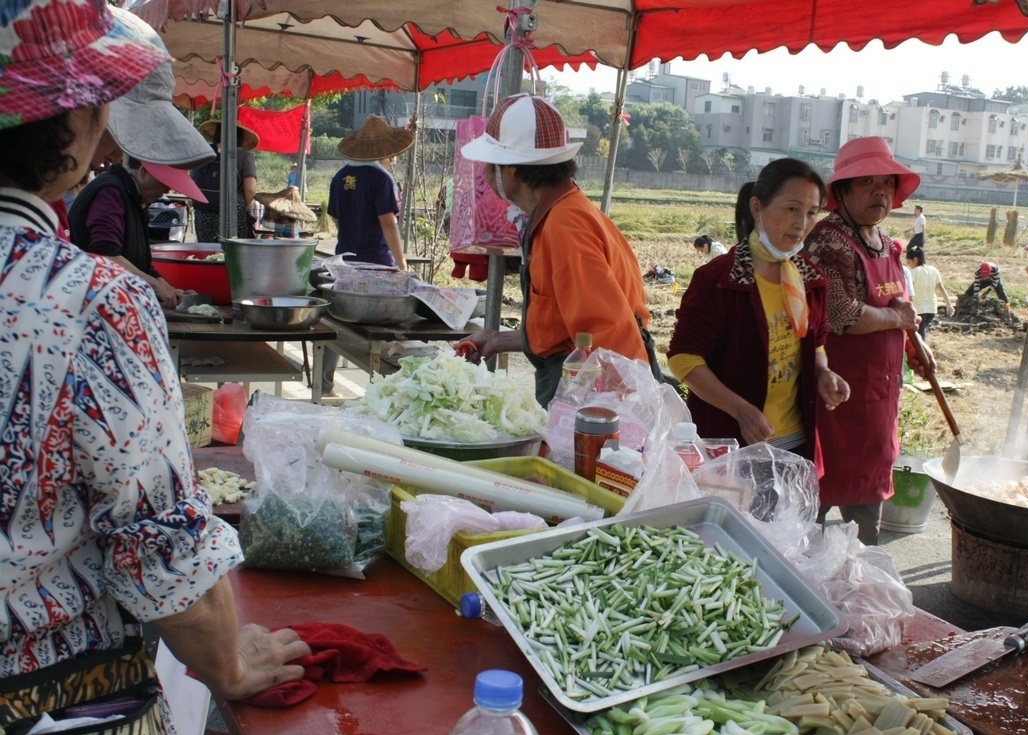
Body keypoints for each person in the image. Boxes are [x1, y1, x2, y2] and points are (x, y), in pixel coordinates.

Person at [0, 2, 309, 735]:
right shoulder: (86, 299)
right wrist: (230, 661)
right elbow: (161, 546)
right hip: (50, 733)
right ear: (67, 124)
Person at [457, 94, 654, 406]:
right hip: (582, 381)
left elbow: (610, 336)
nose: (483, 173)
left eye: (489, 164)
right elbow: (562, 329)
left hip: (604, 394)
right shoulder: (557, 215)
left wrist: (618, 429)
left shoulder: (565, 226)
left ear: (513, 170)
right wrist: (498, 339)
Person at [798, 136, 933, 545]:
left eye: (887, 184)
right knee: (814, 511)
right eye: (866, 182)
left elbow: (900, 304)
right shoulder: (828, 240)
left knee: (866, 519)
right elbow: (841, 315)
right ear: (840, 191)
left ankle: (860, 584)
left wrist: (916, 343)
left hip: (878, 397)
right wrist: (896, 317)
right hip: (836, 397)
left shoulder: (886, 242)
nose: (880, 192)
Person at [667, 159, 850, 462]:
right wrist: (740, 410)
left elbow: (816, 345)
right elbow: (683, 359)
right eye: (791, 208)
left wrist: (823, 373)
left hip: (795, 442)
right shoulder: (721, 280)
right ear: (757, 206)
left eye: (811, 212)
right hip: (730, 444)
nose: (801, 223)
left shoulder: (812, 278)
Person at [68, 155, 208, 309]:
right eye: (165, 183)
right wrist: (155, 286)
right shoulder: (110, 192)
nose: (166, 190)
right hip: (95, 306)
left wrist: (165, 286)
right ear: (144, 171)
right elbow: (106, 256)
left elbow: (136, 260)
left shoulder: (131, 195)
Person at [328, 115, 412, 269]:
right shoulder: (381, 179)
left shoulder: (339, 177)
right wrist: (402, 263)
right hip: (376, 260)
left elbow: (337, 220)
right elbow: (388, 223)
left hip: (344, 259)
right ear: (385, 151)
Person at [191, 119, 259, 241]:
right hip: (233, 211)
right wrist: (246, 205)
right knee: (234, 253)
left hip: (203, 211)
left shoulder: (202, 151)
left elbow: (192, 180)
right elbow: (250, 188)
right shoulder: (243, 155)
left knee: (209, 252)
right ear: (239, 136)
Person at [906, 245, 953, 338]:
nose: (908, 265)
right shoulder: (933, 270)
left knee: (920, 336)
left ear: (915, 259)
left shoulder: (913, 272)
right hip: (932, 309)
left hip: (919, 309)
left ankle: (922, 351)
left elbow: (908, 290)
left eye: (909, 262)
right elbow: (942, 288)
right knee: (921, 331)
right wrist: (949, 305)